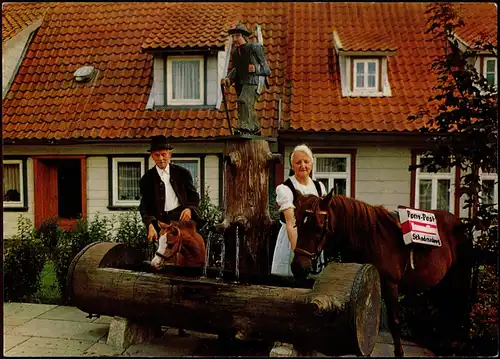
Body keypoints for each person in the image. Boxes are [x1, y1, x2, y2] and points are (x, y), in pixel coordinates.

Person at [271, 144, 327, 277]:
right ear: (292, 166)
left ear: (311, 164)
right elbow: (291, 223)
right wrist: (298, 254)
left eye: (306, 161)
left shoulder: (319, 187)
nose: (303, 165)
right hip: (293, 239)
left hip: (313, 241)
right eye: (298, 162)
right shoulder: (285, 189)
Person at [139, 135, 201, 242]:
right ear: (152, 156)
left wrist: (189, 209)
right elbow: (145, 207)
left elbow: (194, 197)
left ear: (169, 154)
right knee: (162, 255)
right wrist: (150, 225)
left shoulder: (183, 173)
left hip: (182, 221)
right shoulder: (146, 179)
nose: (161, 159)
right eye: (157, 155)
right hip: (161, 223)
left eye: (163, 154)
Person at [221, 23, 271, 135]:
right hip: (242, 83)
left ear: (244, 36)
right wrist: (229, 79)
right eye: (233, 36)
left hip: (254, 81)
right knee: (245, 105)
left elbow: (266, 70)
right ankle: (255, 128)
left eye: (237, 36)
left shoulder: (254, 48)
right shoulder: (235, 53)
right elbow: (236, 70)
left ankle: (244, 127)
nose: (235, 39)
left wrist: (256, 69)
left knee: (244, 100)